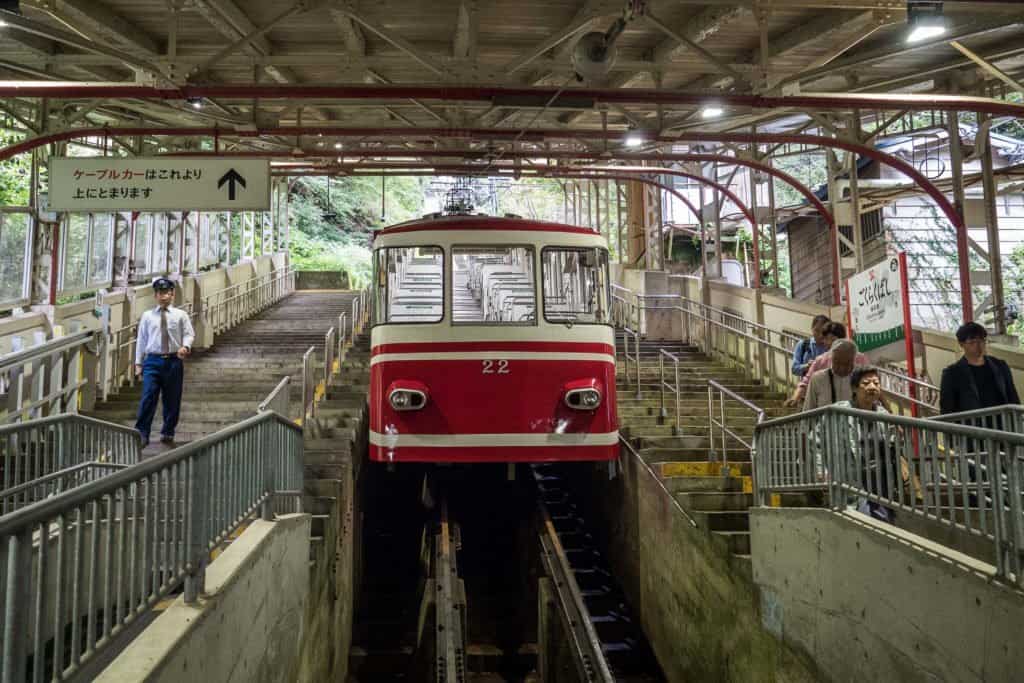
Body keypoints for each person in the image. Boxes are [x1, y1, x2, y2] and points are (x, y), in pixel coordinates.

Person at [134, 278, 194, 448]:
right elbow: (141, 340)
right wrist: (138, 363)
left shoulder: (180, 315)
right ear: (155, 295)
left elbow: (189, 334)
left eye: (166, 292)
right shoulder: (147, 316)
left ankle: (168, 431)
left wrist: (185, 346)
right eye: (160, 293)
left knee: (172, 399)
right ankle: (142, 433)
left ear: (172, 294)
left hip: (174, 361)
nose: (163, 296)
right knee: (148, 397)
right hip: (152, 361)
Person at [835, 366, 899, 523]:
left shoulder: (883, 414)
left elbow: (891, 446)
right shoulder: (839, 412)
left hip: (880, 478)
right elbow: (817, 440)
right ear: (854, 388)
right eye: (866, 383)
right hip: (853, 476)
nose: (872, 387)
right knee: (863, 519)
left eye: (876, 383)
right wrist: (820, 468)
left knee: (884, 519)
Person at [939, 322, 1020, 415]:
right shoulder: (952, 373)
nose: (979, 345)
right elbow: (946, 409)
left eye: (982, 340)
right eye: (972, 342)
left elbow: (1013, 397)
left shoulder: (1000, 366)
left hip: (1003, 425)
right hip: (972, 426)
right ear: (961, 344)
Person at [784, 322, 868, 407]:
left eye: (832, 339)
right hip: (827, 411)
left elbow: (870, 380)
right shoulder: (820, 361)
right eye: (825, 339)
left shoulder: (860, 358)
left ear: (842, 339)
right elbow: (805, 383)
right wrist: (795, 398)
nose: (827, 342)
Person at [803, 339, 860, 411]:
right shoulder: (817, 379)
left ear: (855, 360)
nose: (842, 368)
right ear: (831, 358)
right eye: (837, 363)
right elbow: (808, 410)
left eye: (847, 364)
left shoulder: (861, 379)